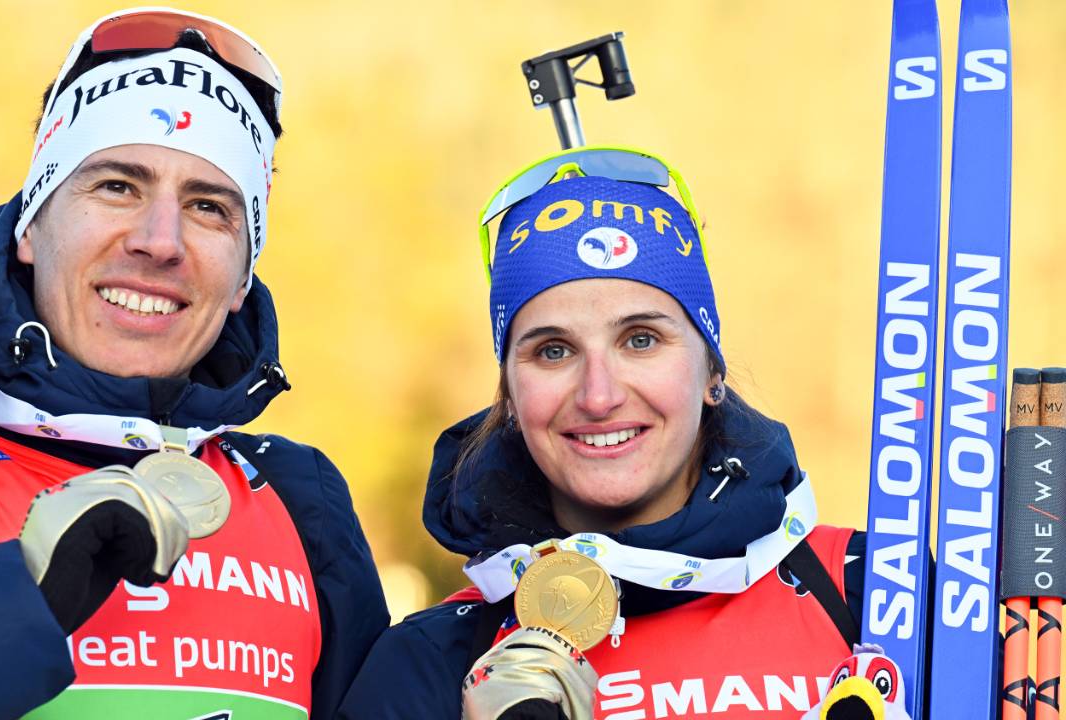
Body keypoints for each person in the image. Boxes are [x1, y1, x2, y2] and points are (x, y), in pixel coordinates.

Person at [0, 8, 387, 719]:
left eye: (209, 207)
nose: (160, 241)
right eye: (117, 186)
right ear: (31, 226)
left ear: (241, 281)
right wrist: (1, 605)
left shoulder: (300, 501)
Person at [338, 148, 869, 719]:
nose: (598, 396)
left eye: (640, 340)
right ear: (509, 394)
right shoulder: (429, 662)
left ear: (711, 373)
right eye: (554, 351)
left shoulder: (868, 593)